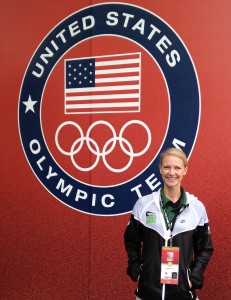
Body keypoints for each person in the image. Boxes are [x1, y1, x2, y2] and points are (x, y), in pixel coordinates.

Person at [124, 148, 214, 300]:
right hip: (147, 294)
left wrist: (193, 279)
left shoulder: (196, 208)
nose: (172, 173)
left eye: (177, 168)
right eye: (167, 167)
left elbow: (205, 249)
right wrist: (137, 271)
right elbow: (131, 240)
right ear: (160, 169)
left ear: (185, 170)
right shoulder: (143, 204)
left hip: (183, 294)